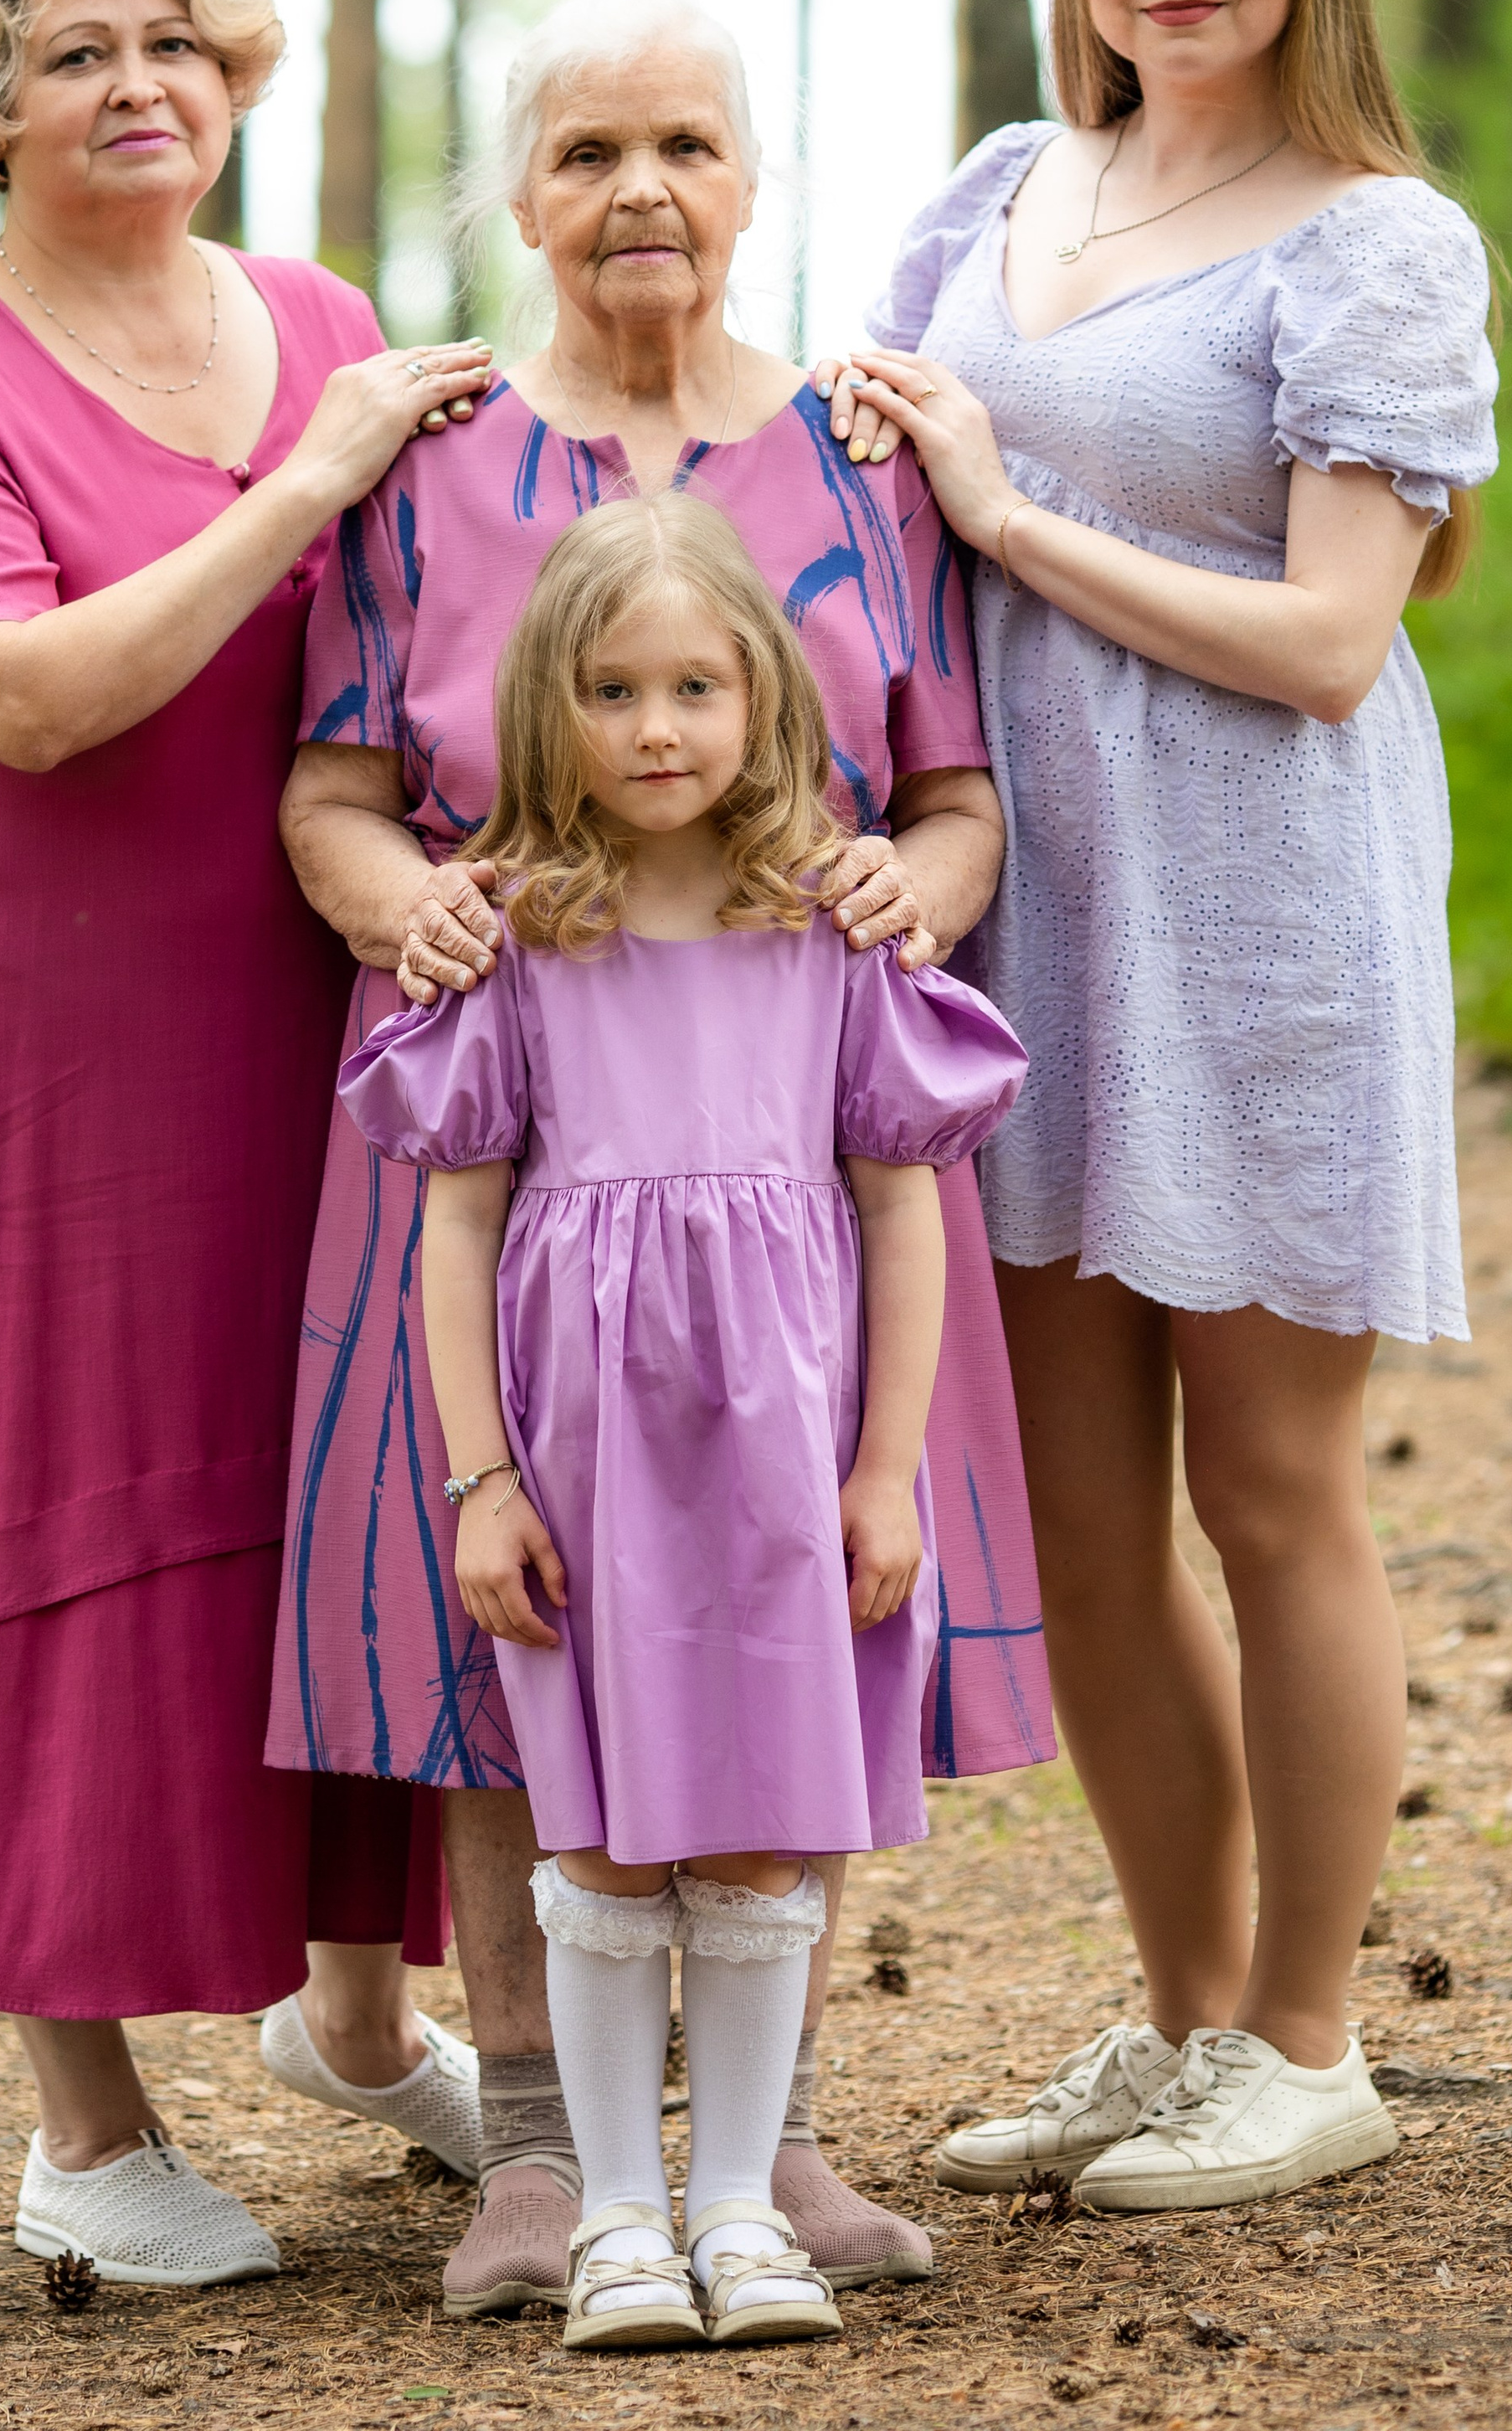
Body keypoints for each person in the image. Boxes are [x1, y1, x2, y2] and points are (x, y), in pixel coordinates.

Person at [263, 0, 1052, 2313]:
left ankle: (774, 2149)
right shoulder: (426, 459)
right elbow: (326, 789)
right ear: (521, 190)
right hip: (510, 1142)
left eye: (684, 147)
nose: (639, 194)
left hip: (796, 1157)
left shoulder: (859, 455)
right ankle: (536, 2149)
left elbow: (951, 793)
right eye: (589, 151)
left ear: (749, 183)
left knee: (796, 1592)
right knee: (523, 1625)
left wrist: (929, 891)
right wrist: (420, 917)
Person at [0, 0, 497, 2284]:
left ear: (238, 72)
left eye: (176, 40)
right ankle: (83, 2132)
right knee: (60, 1532)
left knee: (339, 1487)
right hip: (11, 1069)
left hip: (299, 1018)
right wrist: (307, 477)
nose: (136, 83)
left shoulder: (326, 310)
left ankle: (366, 2033)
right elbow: (38, 698)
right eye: (74, 51)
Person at [816, 0, 1499, 2212]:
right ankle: (1186, 2011)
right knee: (1089, 1530)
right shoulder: (999, 197)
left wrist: (1010, 505)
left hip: (1263, 916)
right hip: (1023, 923)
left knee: (1279, 1494)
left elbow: (1334, 642)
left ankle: (1311, 2041)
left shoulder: (1376, 241)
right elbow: (860, 534)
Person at [338, 494, 1027, 2350]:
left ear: (762, 702)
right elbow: (455, 1220)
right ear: (547, 714)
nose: (655, 727)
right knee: (601, 1836)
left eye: (695, 687)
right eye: (612, 688)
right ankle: (616, 2216)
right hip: (585, 1468)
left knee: (757, 1834)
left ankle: (738, 2198)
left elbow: (899, 1199)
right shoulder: (512, 941)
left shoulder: (824, 924)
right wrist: (481, 1481)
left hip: (787, 1465)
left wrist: (884, 1468)